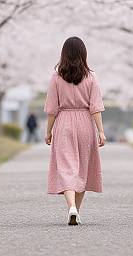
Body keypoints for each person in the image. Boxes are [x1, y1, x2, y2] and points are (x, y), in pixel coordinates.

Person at [44, 36, 106, 226]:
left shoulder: (56, 77)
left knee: (66, 167)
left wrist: (48, 131)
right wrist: (100, 132)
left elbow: (52, 108)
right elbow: (95, 107)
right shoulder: (91, 77)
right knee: (82, 168)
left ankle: (71, 207)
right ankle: (76, 211)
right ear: (83, 54)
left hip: (64, 123)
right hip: (85, 124)